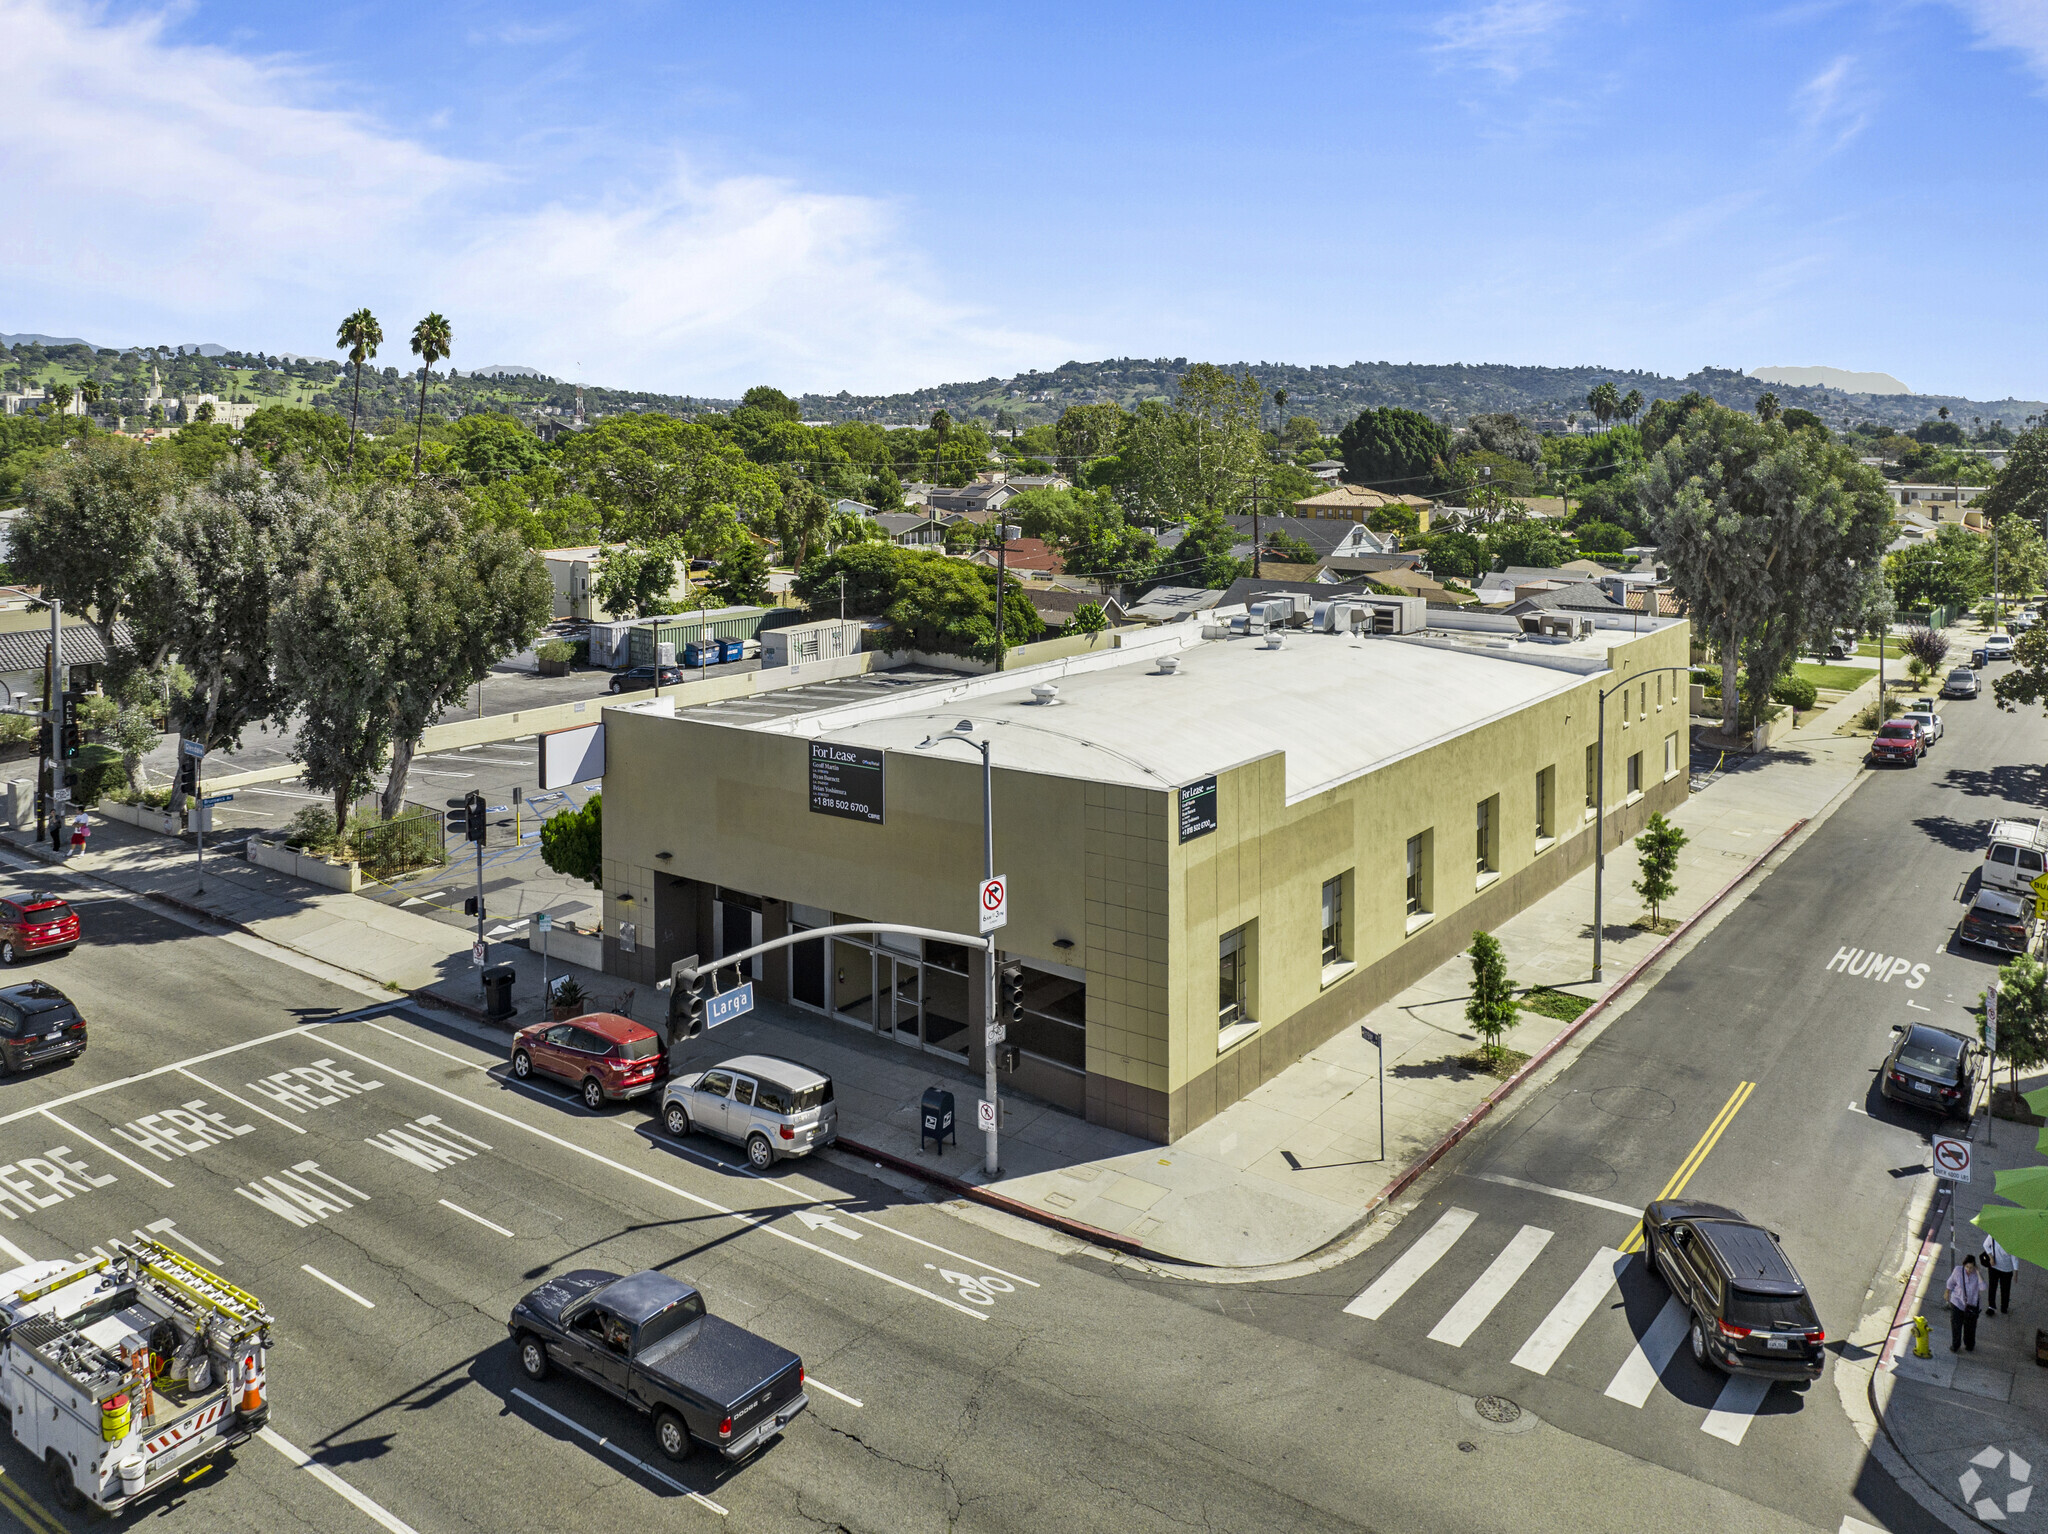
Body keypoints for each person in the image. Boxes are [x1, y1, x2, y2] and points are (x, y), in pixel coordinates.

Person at [1947, 1253, 1984, 1352]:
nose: (1968, 1270)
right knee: (1956, 1326)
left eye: (1971, 1267)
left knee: (1970, 1328)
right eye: (1967, 1267)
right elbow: (1950, 1283)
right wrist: (1947, 1293)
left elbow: (1983, 1287)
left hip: (1971, 1306)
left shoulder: (1976, 1275)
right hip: (1957, 1302)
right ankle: (1955, 1345)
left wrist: (1978, 1273)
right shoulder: (1958, 1271)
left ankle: (1969, 1345)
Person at [1983, 1234, 2019, 1315]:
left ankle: (2004, 1306)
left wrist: (2016, 1272)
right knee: (1992, 1286)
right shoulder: (1993, 1235)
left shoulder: (2013, 1240)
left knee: (2005, 1289)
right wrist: (1991, 1257)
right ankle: (1991, 1306)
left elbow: (2014, 1258)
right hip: (1994, 1267)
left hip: (2006, 1270)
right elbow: (1985, 1245)